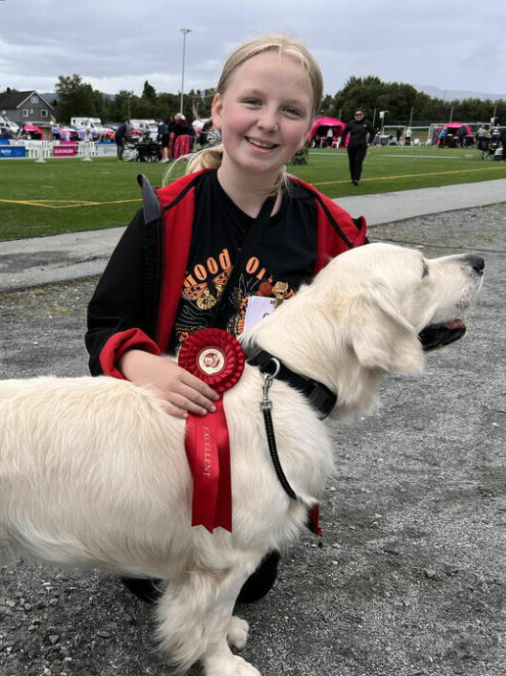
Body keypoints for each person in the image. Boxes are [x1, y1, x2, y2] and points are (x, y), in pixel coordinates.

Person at [86, 34, 368, 606]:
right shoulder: (163, 217)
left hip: (257, 439)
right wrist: (146, 365)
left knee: (249, 586)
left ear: (309, 127)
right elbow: (105, 324)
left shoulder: (327, 232)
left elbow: (348, 346)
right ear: (218, 109)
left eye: (291, 111)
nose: (268, 123)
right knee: (150, 582)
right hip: (164, 435)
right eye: (253, 102)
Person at [342, 108, 374, 185]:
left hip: (362, 146)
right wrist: (343, 142)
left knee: (358, 162)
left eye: (360, 114)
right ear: (354, 115)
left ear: (363, 115)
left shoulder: (367, 123)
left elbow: (373, 132)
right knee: (352, 163)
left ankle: (357, 179)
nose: (358, 116)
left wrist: (369, 142)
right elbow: (344, 133)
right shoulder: (351, 123)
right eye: (357, 115)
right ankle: (353, 179)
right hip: (351, 146)